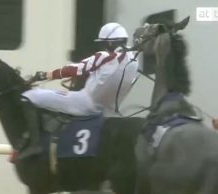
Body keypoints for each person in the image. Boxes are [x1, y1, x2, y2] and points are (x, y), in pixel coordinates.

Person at [18, 22, 139, 159]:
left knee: (29, 96)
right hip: (110, 111)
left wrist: (45, 75)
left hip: (84, 103)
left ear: (110, 43)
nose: (103, 47)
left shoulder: (104, 56)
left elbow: (74, 69)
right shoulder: (134, 62)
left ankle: (34, 145)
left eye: (103, 43)